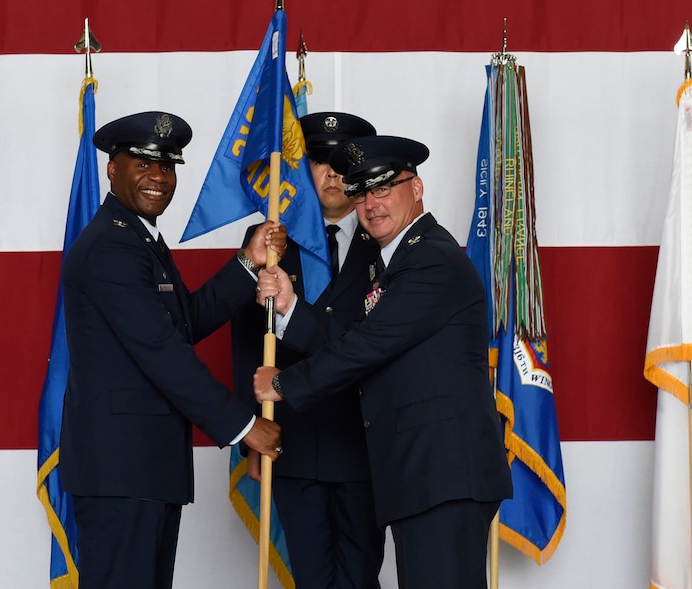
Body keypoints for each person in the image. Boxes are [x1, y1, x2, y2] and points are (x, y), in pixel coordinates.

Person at [253, 135, 513, 588]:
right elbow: (358, 337)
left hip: (444, 477)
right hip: (421, 479)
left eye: (385, 187)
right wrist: (292, 307)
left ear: (417, 188)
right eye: (362, 192)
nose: (372, 204)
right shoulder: (396, 261)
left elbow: (364, 348)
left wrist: (282, 385)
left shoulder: (431, 260)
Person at [59, 111, 285, 589]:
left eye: (167, 167)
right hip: (122, 475)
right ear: (112, 168)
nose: (158, 178)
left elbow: (184, 321)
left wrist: (247, 261)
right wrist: (244, 425)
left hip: (144, 471)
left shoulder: (139, 241)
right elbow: (162, 351)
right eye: (142, 164)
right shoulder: (110, 249)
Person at [230, 112, 385, 588]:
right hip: (294, 441)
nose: (333, 173)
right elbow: (246, 345)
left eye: (344, 162)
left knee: (360, 578)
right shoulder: (270, 244)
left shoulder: (386, 240)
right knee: (312, 578)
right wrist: (251, 431)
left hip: (365, 443)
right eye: (319, 160)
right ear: (301, 169)